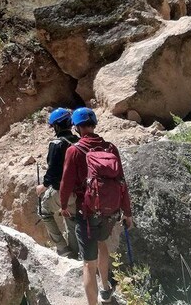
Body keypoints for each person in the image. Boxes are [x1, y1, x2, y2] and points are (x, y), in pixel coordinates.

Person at [59, 107, 133, 305]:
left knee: (87, 265)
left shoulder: (74, 150)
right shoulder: (110, 148)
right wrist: (128, 213)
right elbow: (122, 182)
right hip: (110, 211)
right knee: (102, 244)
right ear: (94, 124)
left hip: (87, 211)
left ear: (76, 127)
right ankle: (106, 289)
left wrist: (64, 205)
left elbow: (65, 183)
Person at [35, 107, 79, 258]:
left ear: (56, 126)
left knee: (43, 210)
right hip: (79, 191)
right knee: (72, 220)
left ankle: (62, 248)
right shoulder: (79, 142)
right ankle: (75, 253)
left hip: (61, 190)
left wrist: (44, 185)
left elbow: (53, 171)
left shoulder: (56, 143)